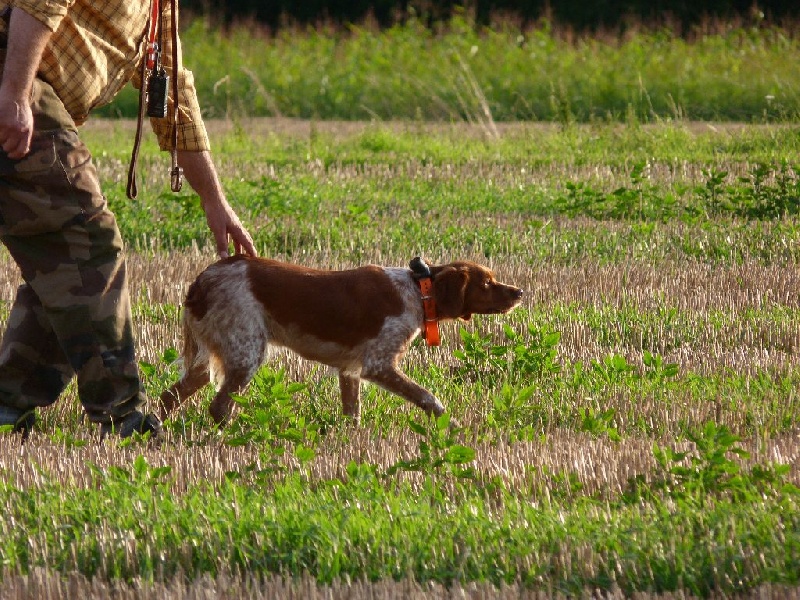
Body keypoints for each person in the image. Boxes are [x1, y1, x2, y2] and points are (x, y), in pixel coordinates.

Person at [0, 1, 257, 439]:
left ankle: (9, 403)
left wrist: (215, 200)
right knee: (86, 244)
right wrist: (16, 92)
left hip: (21, 84)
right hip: (15, 78)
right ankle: (124, 417)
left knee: (65, 262)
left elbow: (172, 89)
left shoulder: (159, 8)